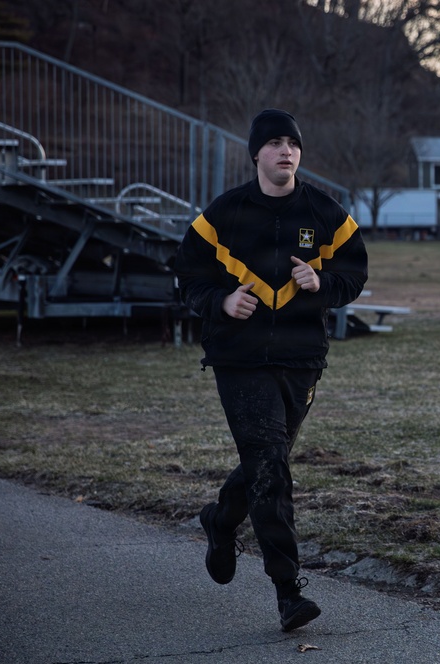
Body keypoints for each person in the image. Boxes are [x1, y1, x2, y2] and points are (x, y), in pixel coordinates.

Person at [173, 108, 368, 632]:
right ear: (256, 153)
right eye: (276, 143)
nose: (286, 151)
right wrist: (221, 302)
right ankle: (288, 591)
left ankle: (221, 520)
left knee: (268, 462)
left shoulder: (327, 213)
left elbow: (354, 275)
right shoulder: (223, 214)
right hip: (238, 358)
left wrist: (322, 285)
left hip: (302, 359)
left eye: (293, 143)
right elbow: (187, 277)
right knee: (269, 466)